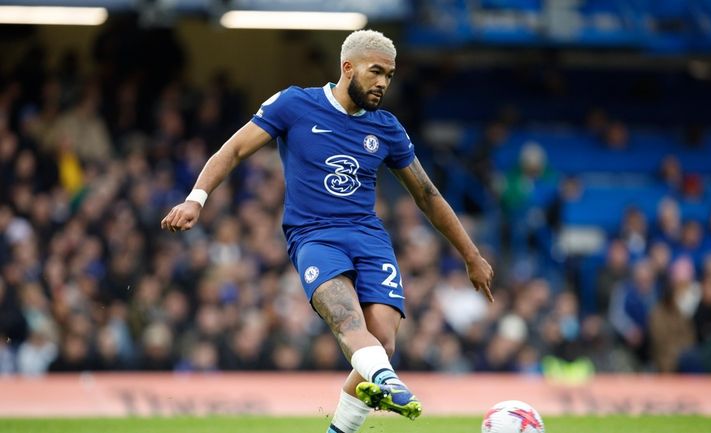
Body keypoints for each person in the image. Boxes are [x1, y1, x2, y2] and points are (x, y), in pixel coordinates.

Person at [160, 30, 494, 431]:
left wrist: (471, 256)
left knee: (382, 343)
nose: (383, 83)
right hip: (314, 237)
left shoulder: (386, 128)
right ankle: (389, 382)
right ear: (347, 67)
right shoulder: (294, 104)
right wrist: (195, 199)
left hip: (369, 238)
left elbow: (427, 194)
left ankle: (345, 421)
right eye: (376, 72)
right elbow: (232, 149)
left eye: (389, 75)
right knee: (348, 323)